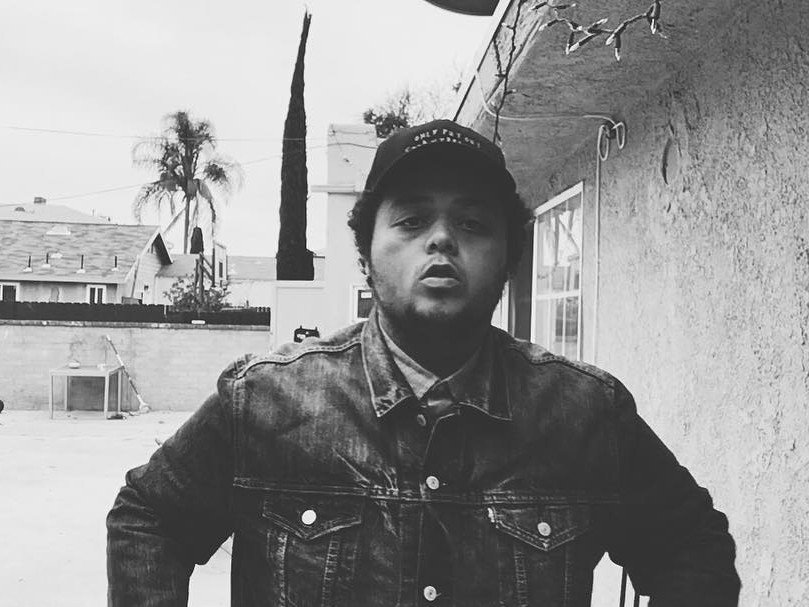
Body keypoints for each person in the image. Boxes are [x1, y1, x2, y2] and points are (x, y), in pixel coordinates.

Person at [107, 120, 740, 606]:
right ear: (366, 254)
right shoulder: (267, 401)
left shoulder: (585, 414)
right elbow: (149, 518)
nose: (441, 239)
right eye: (411, 220)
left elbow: (693, 546)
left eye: (472, 222)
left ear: (510, 259)